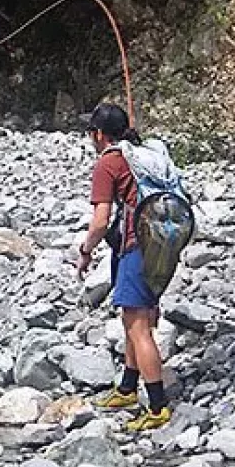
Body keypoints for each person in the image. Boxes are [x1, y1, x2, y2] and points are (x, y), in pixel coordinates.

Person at [76, 103, 170, 432]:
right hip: (161, 244)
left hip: (135, 247)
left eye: (91, 132)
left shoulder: (108, 164)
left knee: (138, 326)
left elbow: (100, 221)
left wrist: (85, 250)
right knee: (134, 318)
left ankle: (158, 407)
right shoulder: (141, 154)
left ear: (99, 134)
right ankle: (128, 388)